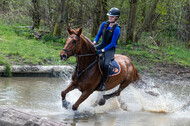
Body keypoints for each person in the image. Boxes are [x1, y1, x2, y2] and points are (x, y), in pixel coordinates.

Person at [93, 7, 121, 91]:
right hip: (102, 44)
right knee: (88, 53)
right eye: (109, 16)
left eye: (112, 17)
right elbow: (98, 35)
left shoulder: (117, 29)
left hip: (110, 49)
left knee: (105, 64)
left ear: (116, 17)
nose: (110, 18)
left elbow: (112, 43)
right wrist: (94, 43)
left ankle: (103, 83)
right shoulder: (104, 24)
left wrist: (102, 50)